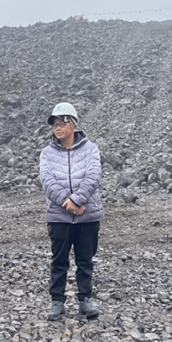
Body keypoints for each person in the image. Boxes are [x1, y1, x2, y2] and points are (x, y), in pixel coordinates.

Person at [38, 102, 105, 321]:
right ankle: (57, 300)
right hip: (59, 216)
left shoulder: (90, 149)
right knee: (59, 260)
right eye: (54, 124)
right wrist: (67, 203)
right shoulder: (47, 153)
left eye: (62, 123)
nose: (57, 128)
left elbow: (93, 175)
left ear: (73, 124)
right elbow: (47, 181)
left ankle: (85, 298)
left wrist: (76, 199)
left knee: (85, 259)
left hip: (87, 216)